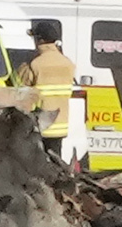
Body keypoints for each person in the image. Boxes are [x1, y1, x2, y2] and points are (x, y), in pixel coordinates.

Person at [19, 19, 84, 167]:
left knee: (37, 165)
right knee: (56, 162)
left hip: (41, 124)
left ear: (39, 40)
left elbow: (22, 89)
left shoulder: (35, 64)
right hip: (60, 125)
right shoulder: (67, 63)